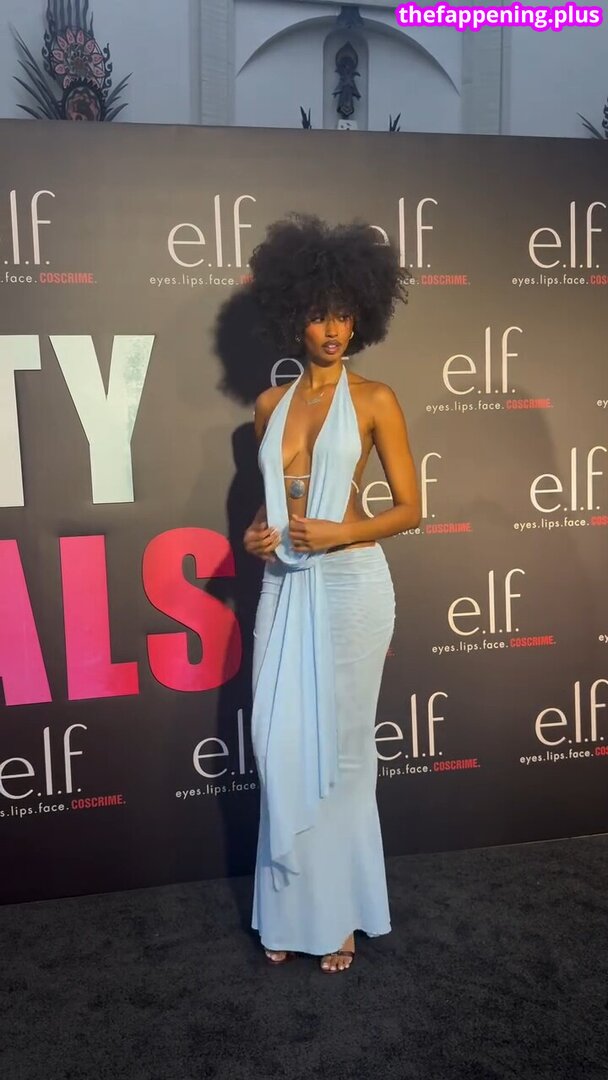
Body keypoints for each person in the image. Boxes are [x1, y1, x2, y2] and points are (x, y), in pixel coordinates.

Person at [243, 213, 421, 974]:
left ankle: (339, 912)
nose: (333, 330)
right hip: (283, 585)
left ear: (363, 316)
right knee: (280, 745)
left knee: (342, 754)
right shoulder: (268, 406)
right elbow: (269, 507)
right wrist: (256, 536)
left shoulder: (376, 398)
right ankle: (290, 905)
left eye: (345, 315)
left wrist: (340, 533)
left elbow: (410, 510)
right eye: (320, 315)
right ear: (296, 316)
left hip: (350, 585)